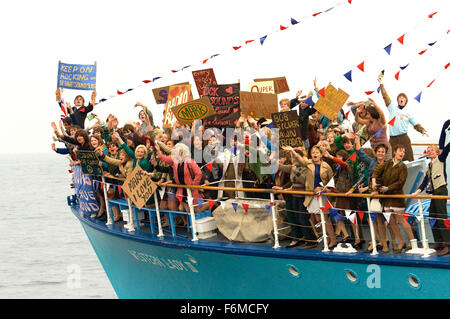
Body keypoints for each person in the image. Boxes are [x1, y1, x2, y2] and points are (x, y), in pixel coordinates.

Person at [412, 119, 450, 256]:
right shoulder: (429, 166)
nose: (430, 152)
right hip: (434, 192)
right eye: (428, 151)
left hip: (441, 190)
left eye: (432, 150)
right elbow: (423, 183)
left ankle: (448, 244)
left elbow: (445, 143)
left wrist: (446, 125)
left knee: (441, 216)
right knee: (432, 216)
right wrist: (416, 193)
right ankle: (438, 241)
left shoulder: (441, 159)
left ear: (437, 152)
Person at [371, 144, 415, 253]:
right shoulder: (387, 164)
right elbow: (377, 171)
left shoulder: (403, 167)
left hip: (396, 197)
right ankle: (400, 242)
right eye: (400, 151)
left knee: (401, 220)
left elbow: (400, 183)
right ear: (395, 152)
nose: (402, 153)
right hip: (387, 198)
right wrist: (374, 181)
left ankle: (412, 242)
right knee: (391, 221)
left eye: (404, 152)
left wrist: (388, 188)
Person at [378, 76, 428, 162]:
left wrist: (423, 130)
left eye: (403, 98)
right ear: (398, 100)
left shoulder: (407, 113)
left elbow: (415, 124)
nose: (401, 99)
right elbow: (385, 97)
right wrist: (381, 84)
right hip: (393, 139)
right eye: (400, 98)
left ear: (405, 101)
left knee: (409, 158)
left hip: (404, 138)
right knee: (391, 160)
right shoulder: (392, 108)